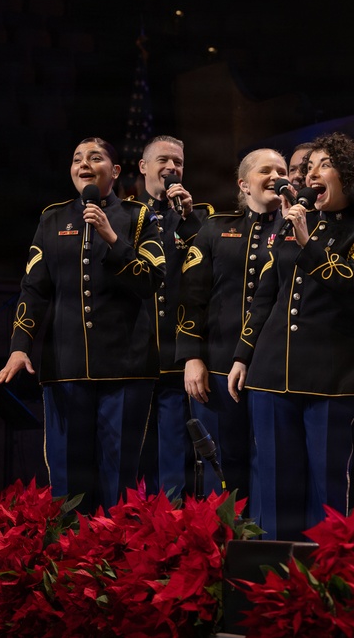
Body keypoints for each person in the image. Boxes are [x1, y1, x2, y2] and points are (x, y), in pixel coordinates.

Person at [227, 132, 354, 540]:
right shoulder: (294, 223)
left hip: (331, 380)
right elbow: (265, 295)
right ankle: (275, 586)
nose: (310, 173)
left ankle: (331, 580)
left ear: (349, 175)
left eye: (324, 165)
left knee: (330, 486)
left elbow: (353, 283)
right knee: (276, 485)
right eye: (309, 166)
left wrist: (305, 241)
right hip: (271, 374)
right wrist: (242, 355)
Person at [0, 137, 166, 512]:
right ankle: (72, 563)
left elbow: (150, 280)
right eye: (76, 159)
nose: (83, 164)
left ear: (116, 171)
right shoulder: (52, 218)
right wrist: (19, 346)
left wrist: (111, 237)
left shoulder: (139, 217)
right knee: (68, 482)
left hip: (126, 369)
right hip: (66, 368)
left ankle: (119, 561)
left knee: (118, 480)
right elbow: (34, 288)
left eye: (95, 157)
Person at [177, 148, 288, 510]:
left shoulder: (299, 228)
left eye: (282, 170)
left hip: (275, 367)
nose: (276, 175)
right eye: (265, 170)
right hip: (219, 363)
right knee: (222, 462)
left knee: (271, 464)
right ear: (244, 183)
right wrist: (192, 356)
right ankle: (222, 546)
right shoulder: (216, 227)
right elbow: (192, 295)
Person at [134, 135, 213, 500]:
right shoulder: (125, 214)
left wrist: (188, 217)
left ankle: (171, 523)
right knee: (133, 453)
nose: (172, 168)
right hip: (133, 352)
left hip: (175, 353)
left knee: (174, 453)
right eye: (163, 160)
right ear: (143, 167)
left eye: (178, 162)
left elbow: (207, 273)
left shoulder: (201, 216)